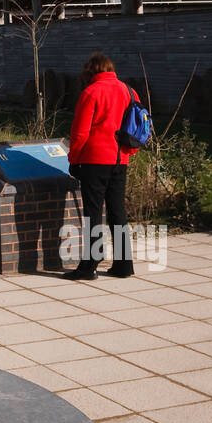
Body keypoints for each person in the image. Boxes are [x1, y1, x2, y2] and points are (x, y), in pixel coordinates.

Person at [67, 52, 139, 280]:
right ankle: (124, 264)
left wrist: (74, 159)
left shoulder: (91, 92)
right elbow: (138, 125)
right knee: (118, 212)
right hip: (121, 159)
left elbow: (80, 132)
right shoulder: (129, 91)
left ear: (90, 71)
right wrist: (130, 151)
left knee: (93, 214)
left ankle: (89, 266)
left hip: (94, 160)